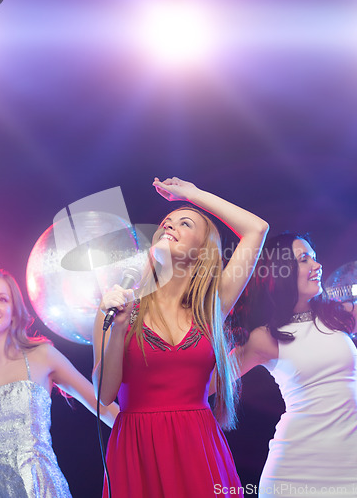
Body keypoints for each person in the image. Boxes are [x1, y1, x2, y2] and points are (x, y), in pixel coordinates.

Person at [232, 188, 357, 498]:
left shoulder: (339, 315)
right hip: (292, 470)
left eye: (314, 256)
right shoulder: (264, 337)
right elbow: (206, 382)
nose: (317, 265)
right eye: (304, 259)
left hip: (352, 465)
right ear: (282, 273)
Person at [92, 177, 269, 498]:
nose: (169, 225)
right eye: (165, 223)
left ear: (202, 252)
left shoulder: (212, 306)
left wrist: (192, 195)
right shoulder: (118, 305)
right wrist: (117, 327)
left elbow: (257, 229)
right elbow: (104, 396)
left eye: (184, 223)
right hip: (137, 449)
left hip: (197, 445)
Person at [0, 268, 119, 497]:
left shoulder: (42, 355)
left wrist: (148, 436)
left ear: (14, 313)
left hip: (42, 489)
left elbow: (104, 408)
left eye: (2, 299)